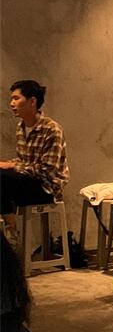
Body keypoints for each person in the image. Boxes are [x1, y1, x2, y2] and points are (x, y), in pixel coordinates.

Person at [0, 80, 70, 241]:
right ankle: (9, 231)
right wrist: (10, 164)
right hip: (27, 182)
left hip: (46, 188)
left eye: (16, 98)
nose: (11, 103)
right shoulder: (21, 127)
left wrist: (12, 166)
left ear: (32, 101)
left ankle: (11, 232)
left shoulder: (52, 129)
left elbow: (47, 170)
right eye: (11, 99)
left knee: (1, 179)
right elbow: (24, 161)